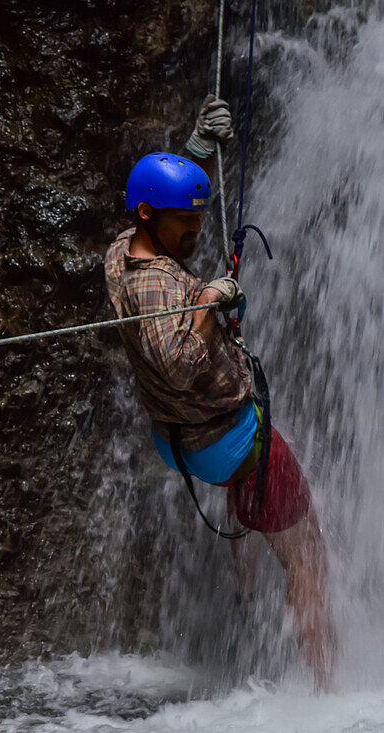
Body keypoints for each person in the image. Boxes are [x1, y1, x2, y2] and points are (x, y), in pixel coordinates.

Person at [103, 97, 335, 687]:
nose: (197, 229)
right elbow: (181, 363)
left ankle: (247, 596)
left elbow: (159, 204)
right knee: (308, 554)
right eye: (187, 221)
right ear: (153, 215)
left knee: (264, 467)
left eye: (198, 218)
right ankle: (332, 688)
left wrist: (197, 154)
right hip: (226, 437)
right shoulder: (159, 288)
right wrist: (208, 302)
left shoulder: (122, 253)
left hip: (181, 440)